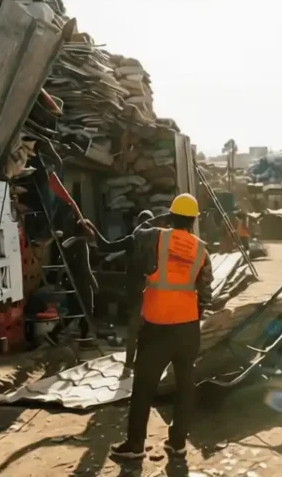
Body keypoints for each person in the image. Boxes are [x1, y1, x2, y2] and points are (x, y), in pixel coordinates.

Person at [85, 195, 213, 460]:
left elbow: (133, 235)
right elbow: (205, 294)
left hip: (157, 327)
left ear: (171, 215)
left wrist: (162, 220)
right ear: (194, 220)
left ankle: (135, 445)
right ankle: (177, 443)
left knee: (143, 387)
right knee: (185, 387)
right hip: (188, 329)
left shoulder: (155, 236)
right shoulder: (202, 250)